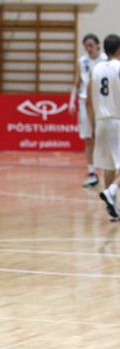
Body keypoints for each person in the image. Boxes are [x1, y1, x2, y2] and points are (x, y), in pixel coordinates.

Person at [88, 34, 120, 221]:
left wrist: (92, 124)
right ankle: (112, 191)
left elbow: (90, 99)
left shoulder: (97, 68)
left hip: (101, 121)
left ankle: (112, 209)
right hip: (117, 119)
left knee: (109, 166)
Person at [70, 34, 108, 188]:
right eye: (86, 45)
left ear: (98, 45)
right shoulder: (82, 61)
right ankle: (92, 173)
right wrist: (71, 101)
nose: (88, 48)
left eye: (91, 45)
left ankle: (107, 169)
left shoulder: (105, 60)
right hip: (84, 102)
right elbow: (77, 82)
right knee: (88, 138)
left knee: (103, 137)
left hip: (101, 103)